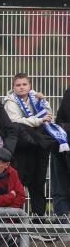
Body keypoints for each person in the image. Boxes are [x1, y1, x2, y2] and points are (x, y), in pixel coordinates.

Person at [3, 73, 65, 221]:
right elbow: (16, 122)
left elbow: (48, 116)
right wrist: (39, 121)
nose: (21, 87)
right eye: (18, 85)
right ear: (13, 87)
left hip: (38, 149)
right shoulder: (9, 102)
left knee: (38, 184)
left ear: (29, 85)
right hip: (22, 149)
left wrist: (43, 103)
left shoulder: (37, 98)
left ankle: (39, 220)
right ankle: (15, 222)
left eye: (24, 84)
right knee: (19, 183)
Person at [53, 86, 70, 218]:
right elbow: (59, 120)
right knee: (60, 185)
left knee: (60, 185)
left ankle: (61, 223)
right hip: (62, 143)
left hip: (62, 141)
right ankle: (61, 223)